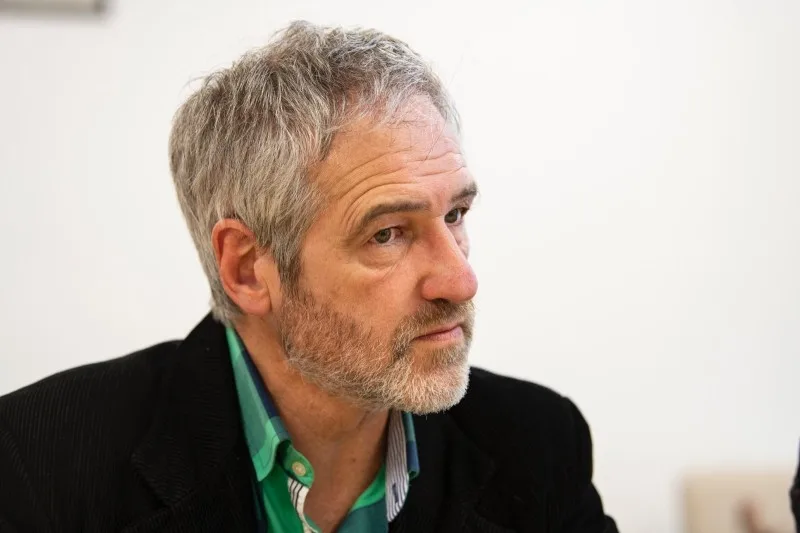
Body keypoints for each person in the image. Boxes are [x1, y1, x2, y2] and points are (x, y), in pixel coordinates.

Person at [0, 21, 617, 533]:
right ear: (247, 269)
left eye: (455, 215)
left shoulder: (537, 443)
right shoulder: (40, 463)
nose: (461, 281)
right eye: (387, 234)